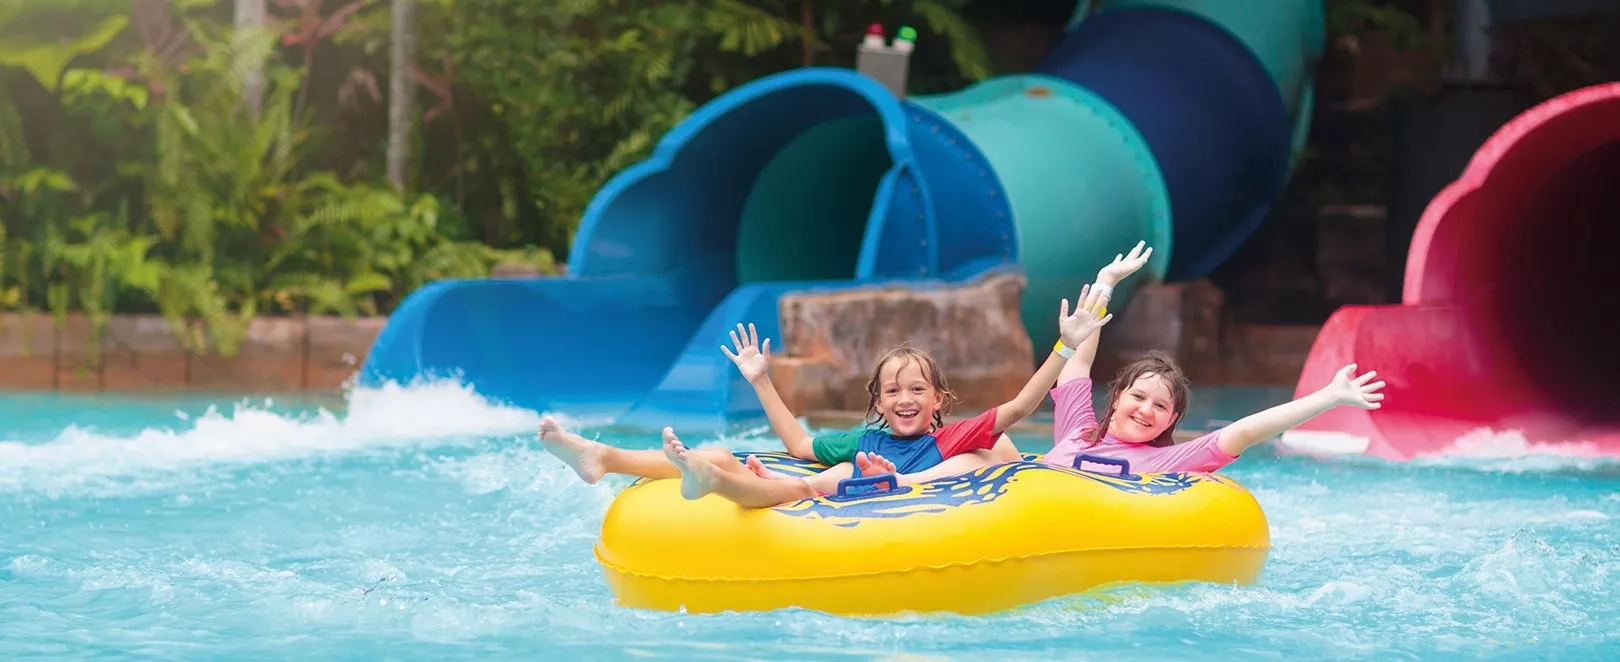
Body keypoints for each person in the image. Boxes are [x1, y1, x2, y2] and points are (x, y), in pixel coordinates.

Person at [857, 242, 1388, 484]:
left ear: (1172, 422)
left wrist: (1329, 397)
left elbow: (1247, 431)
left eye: (1161, 406)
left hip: (1074, 523)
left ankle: (899, 484)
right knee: (992, 443)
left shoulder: (1170, 462)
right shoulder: (1080, 430)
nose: (1146, 409)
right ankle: (899, 482)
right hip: (1014, 498)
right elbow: (1078, 354)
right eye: (1139, 396)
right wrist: (1106, 285)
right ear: (1118, 399)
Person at [658, 284, 1115, 508]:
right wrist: (761, 379)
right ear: (878, 403)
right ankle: (715, 478)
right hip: (850, 488)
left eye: (918, 390)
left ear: (939, 399)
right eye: (892, 391)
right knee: (810, 481)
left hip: (921, 498)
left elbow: (1020, 407)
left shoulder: (951, 439)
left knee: (818, 482)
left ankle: (717, 480)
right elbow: (799, 447)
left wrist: (1066, 345)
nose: (904, 399)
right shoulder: (866, 441)